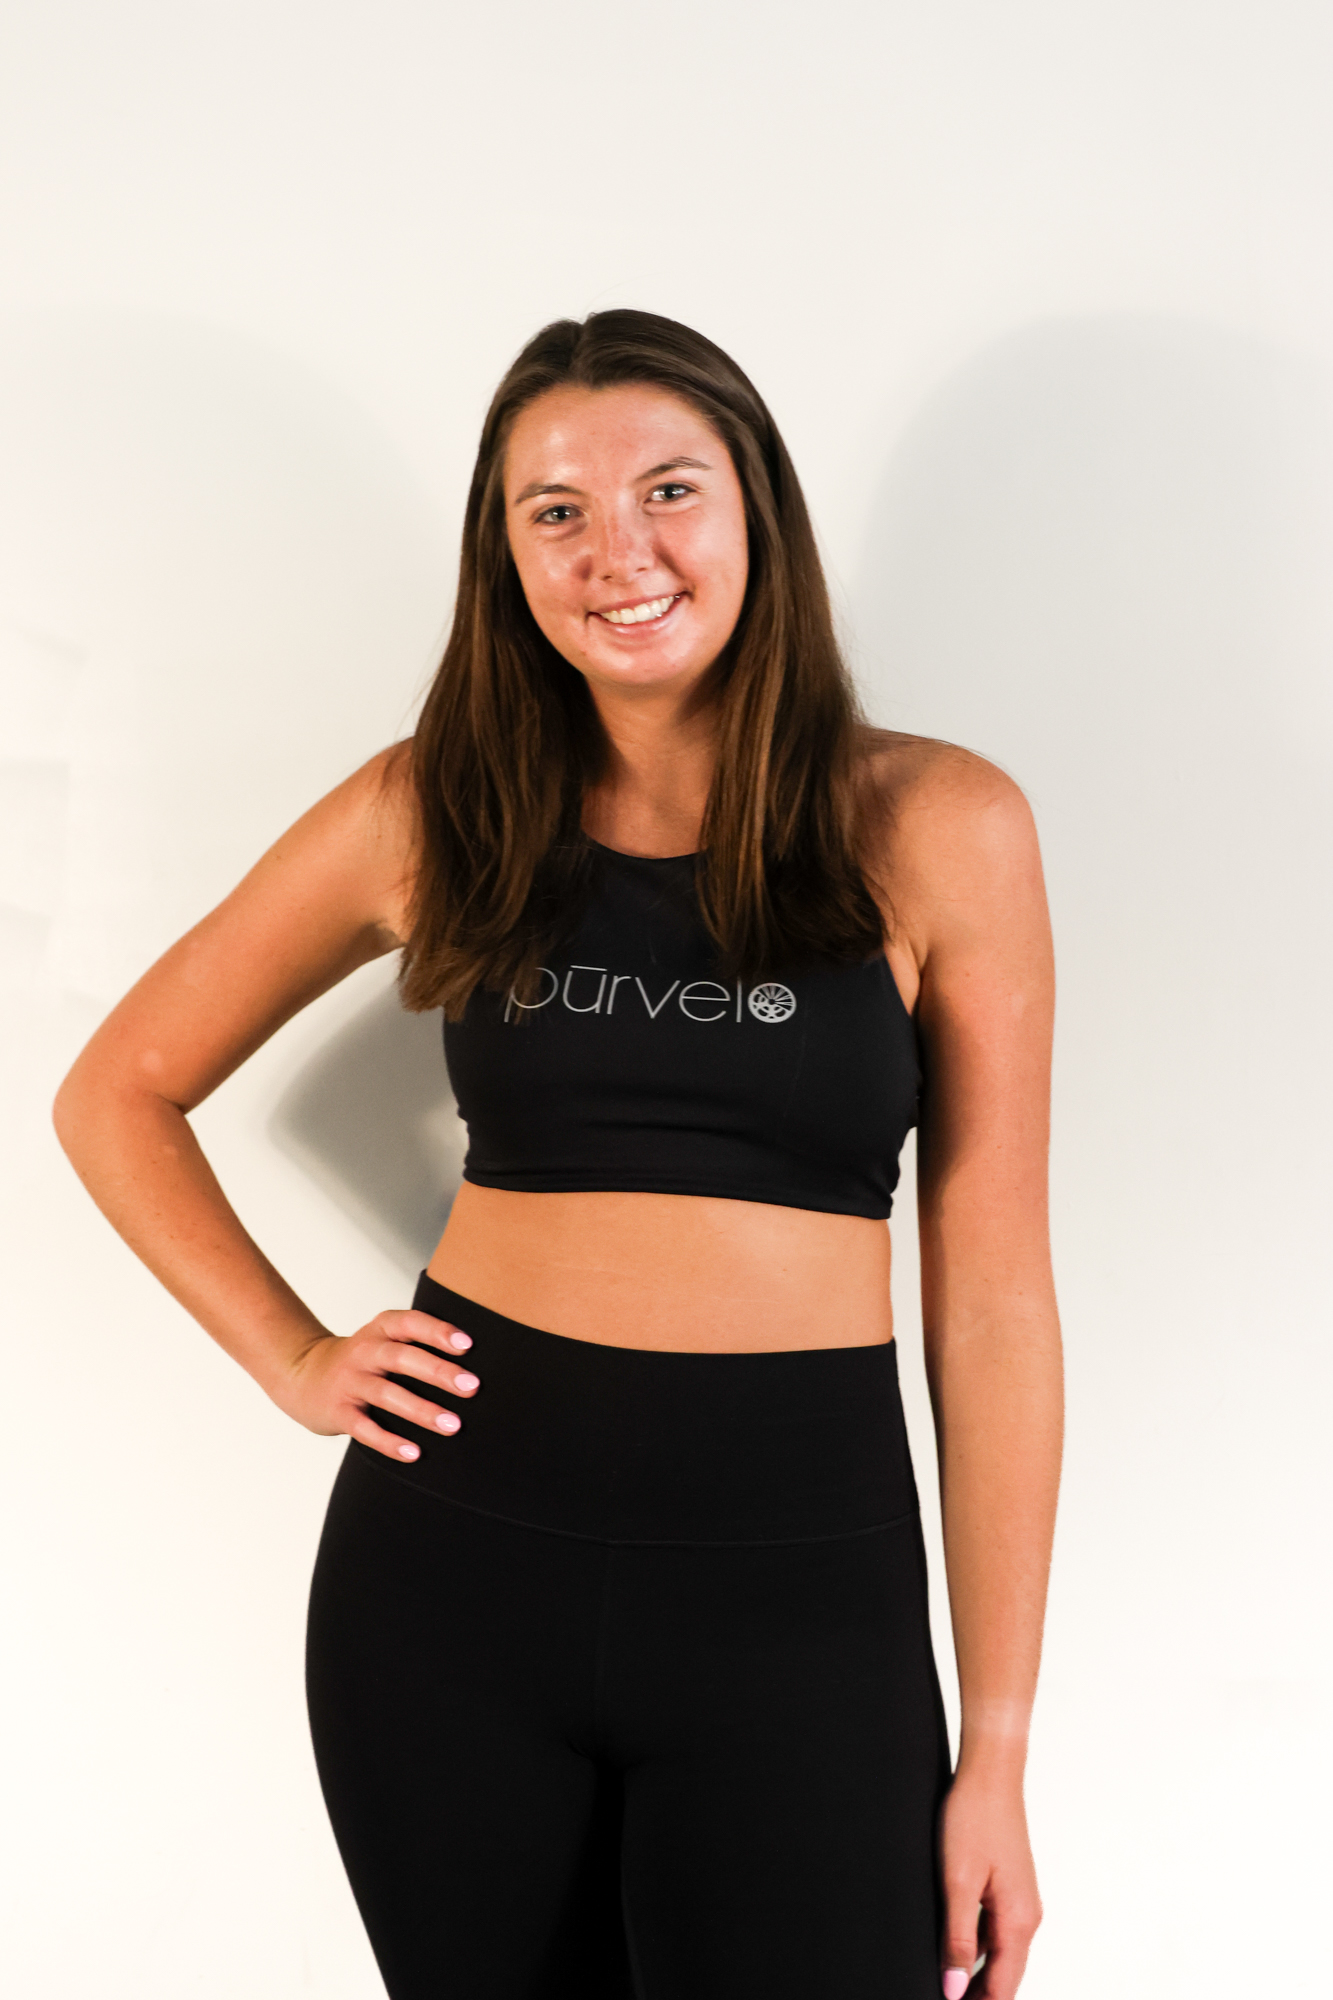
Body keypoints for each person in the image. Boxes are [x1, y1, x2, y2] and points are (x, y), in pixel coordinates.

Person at [53, 310, 1062, 2000]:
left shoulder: (938, 825)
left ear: (754, 511)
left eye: (668, 490)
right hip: (452, 1582)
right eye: (557, 512)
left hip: (797, 1599)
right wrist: (294, 1358)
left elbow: (996, 1306)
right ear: (505, 553)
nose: (619, 553)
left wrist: (1001, 1748)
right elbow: (118, 1088)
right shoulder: (431, 810)